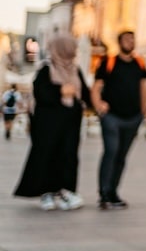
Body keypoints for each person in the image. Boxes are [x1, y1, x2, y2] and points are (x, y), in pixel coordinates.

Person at [13, 35, 91, 211]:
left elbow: (84, 94)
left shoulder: (75, 70)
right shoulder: (46, 70)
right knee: (47, 155)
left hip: (70, 124)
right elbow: (41, 93)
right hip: (48, 125)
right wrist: (60, 90)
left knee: (69, 156)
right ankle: (46, 192)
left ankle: (66, 191)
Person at [91, 30, 146, 210]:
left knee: (122, 156)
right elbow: (96, 87)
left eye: (133, 39)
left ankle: (114, 192)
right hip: (112, 117)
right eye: (126, 39)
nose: (130, 42)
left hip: (133, 117)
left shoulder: (139, 63)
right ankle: (104, 193)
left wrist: (144, 110)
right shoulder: (108, 62)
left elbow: (143, 86)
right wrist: (98, 105)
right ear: (120, 42)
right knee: (111, 151)